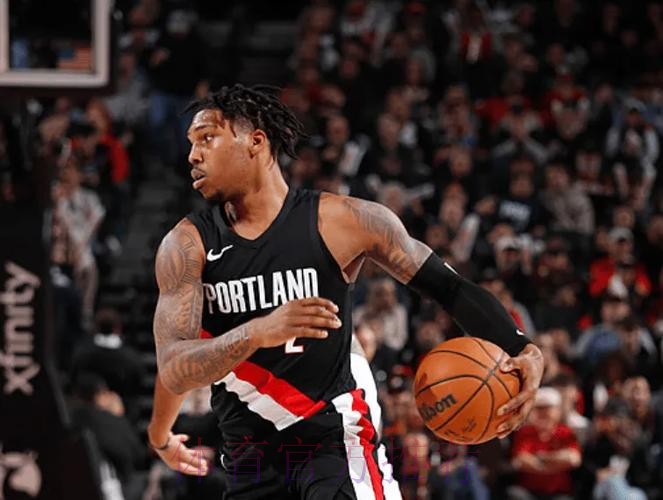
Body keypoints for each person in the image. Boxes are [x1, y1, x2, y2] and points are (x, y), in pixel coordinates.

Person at [147, 84, 544, 499]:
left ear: (256, 142)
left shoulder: (344, 221)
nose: (193, 155)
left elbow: (450, 287)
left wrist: (522, 349)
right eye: (191, 143)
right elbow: (173, 364)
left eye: (207, 138)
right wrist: (162, 433)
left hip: (334, 440)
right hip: (250, 458)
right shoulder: (188, 245)